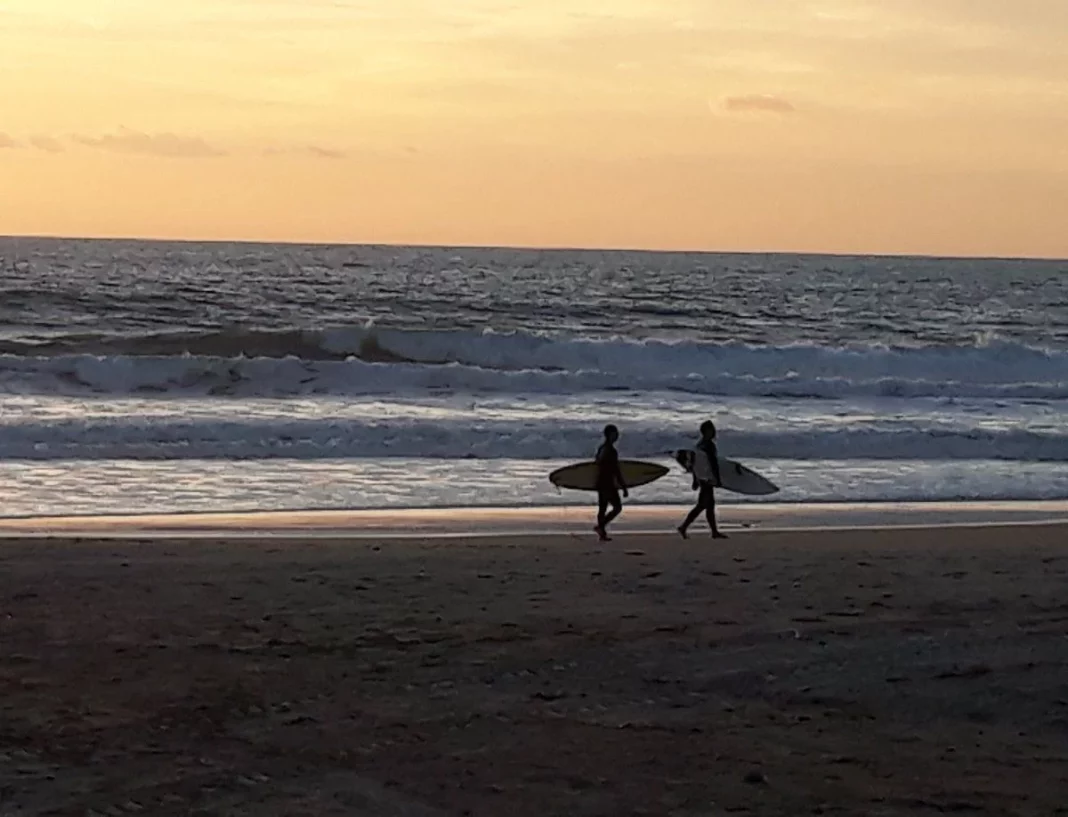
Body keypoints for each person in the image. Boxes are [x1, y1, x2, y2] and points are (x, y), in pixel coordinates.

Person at [678, 420, 727, 539]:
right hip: (707, 478)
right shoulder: (709, 445)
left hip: (701, 477)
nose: (713, 432)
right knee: (703, 505)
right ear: (706, 431)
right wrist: (718, 479)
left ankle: (714, 532)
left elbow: (694, 464)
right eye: (711, 429)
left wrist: (695, 480)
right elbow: (713, 463)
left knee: (707, 505)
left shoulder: (698, 445)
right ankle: (684, 527)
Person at [594, 423, 628, 541]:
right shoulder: (611, 451)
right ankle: (600, 527)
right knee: (617, 507)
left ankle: (602, 534)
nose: (617, 435)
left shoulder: (601, 448)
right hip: (608, 483)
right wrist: (623, 486)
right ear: (610, 435)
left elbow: (596, 463)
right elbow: (616, 470)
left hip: (600, 482)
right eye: (615, 433)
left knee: (602, 508)